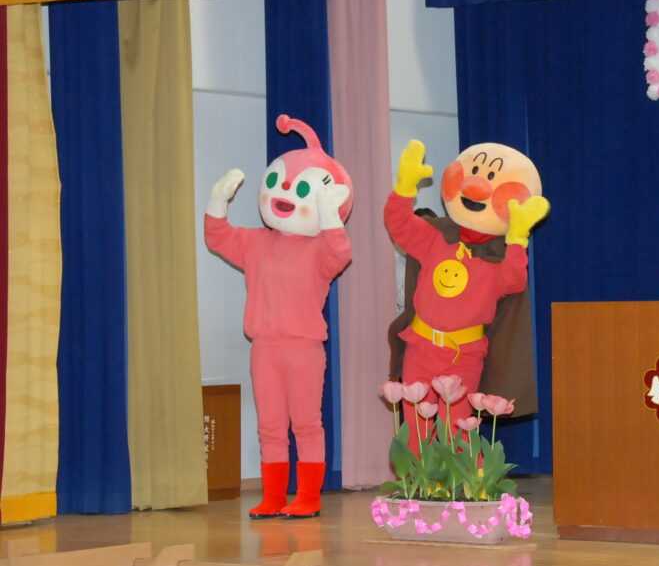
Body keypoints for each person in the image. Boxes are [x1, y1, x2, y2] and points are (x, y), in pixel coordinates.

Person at [204, 114, 353, 518]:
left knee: (306, 425)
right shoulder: (257, 243)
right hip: (264, 348)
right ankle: (273, 496)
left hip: (304, 349)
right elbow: (218, 237)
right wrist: (217, 202)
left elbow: (340, 253)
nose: (286, 194)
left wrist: (329, 215)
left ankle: (308, 497)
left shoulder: (321, 248)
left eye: (302, 189)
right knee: (269, 427)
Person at [384, 139, 549, 454]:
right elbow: (400, 226)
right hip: (421, 347)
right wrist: (403, 189)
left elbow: (514, 281)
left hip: (463, 356)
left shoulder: (498, 257)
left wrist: (517, 239)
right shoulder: (436, 236)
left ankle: (461, 483)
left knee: (456, 429)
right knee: (416, 430)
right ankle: (418, 483)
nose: (476, 188)